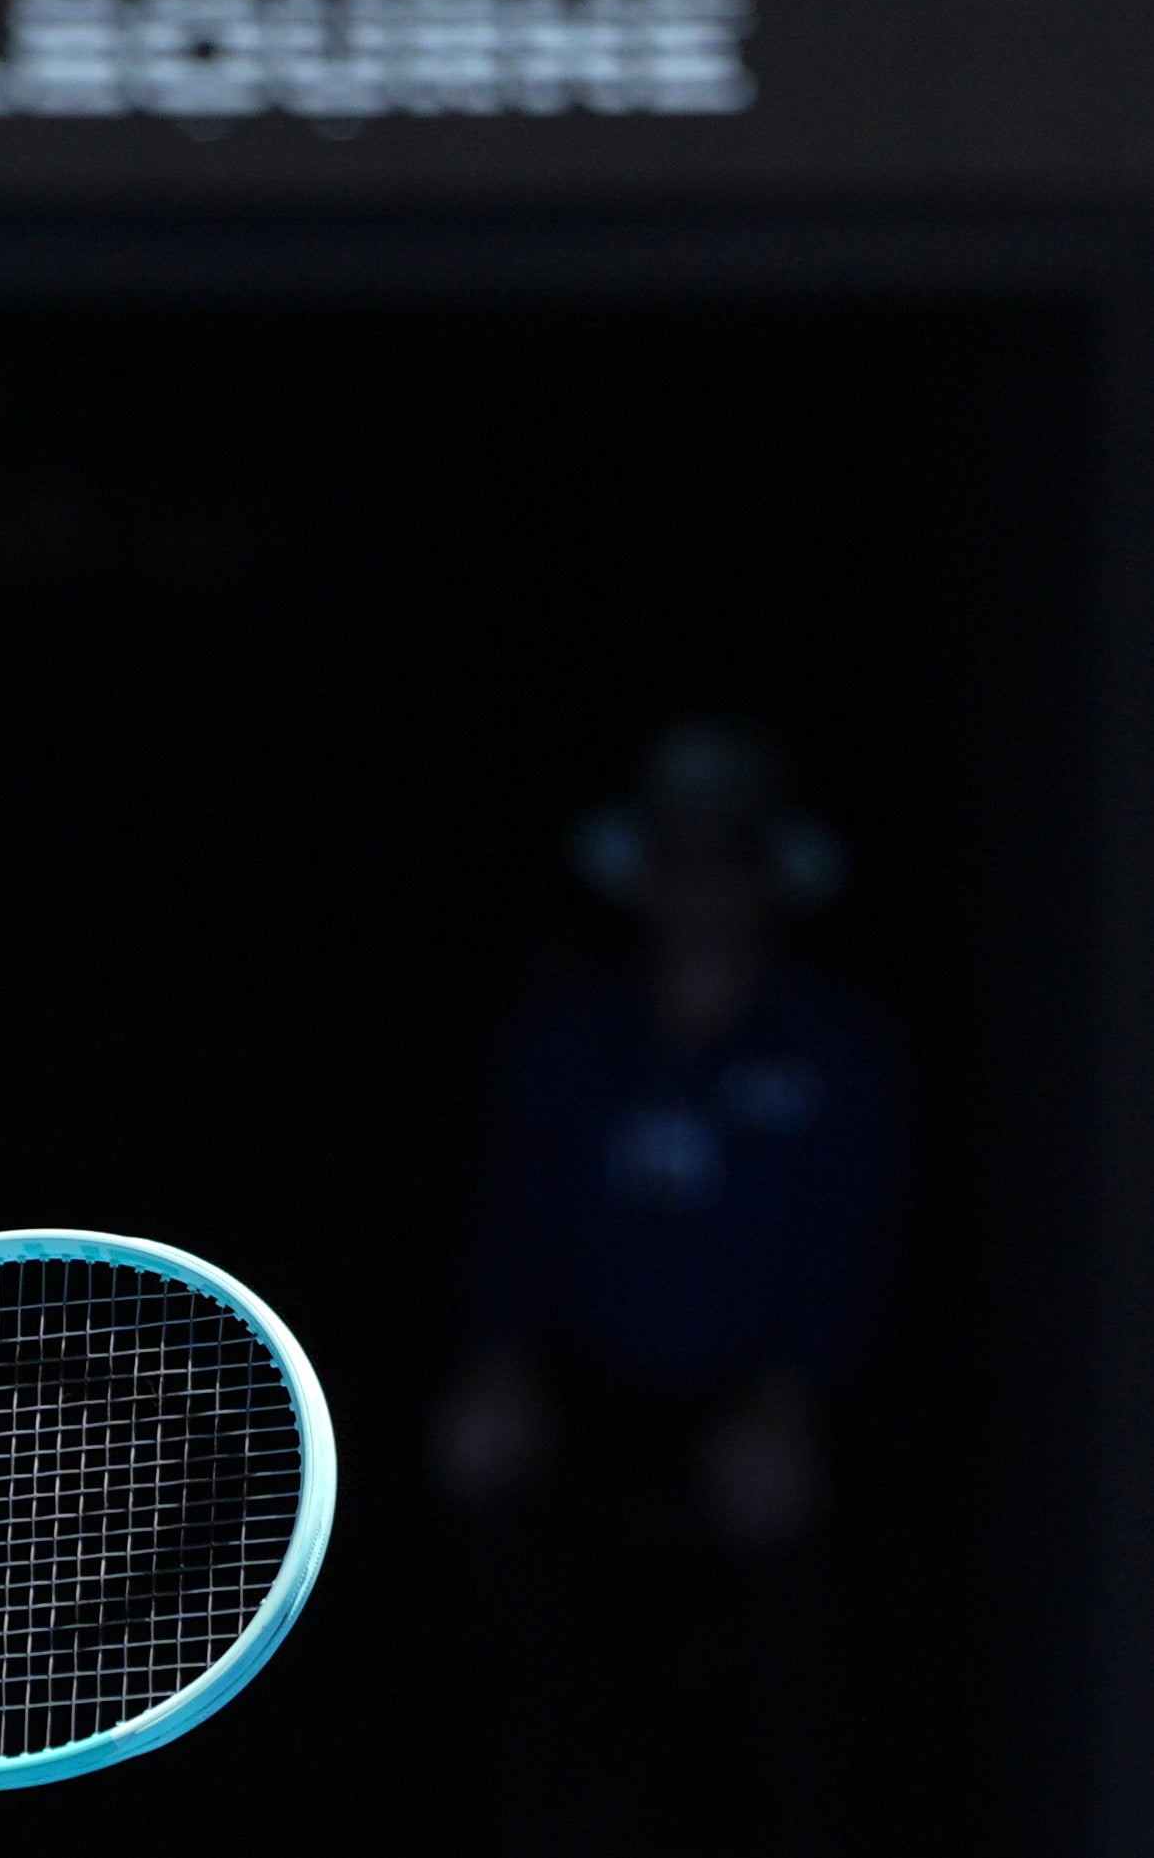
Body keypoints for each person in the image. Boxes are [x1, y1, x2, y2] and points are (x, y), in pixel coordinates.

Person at [433, 723, 909, 1856]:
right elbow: (512, 1214)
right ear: (643, 875)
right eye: (676, 854)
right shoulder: (570, 1037)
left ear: (768, 878)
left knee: (790, 1665)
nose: (699, 883)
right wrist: (495, 1363)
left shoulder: (839, 1047)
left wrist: (794, 1397)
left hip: (768, 1405)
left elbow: (858, 1240)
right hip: (595, 1402)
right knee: (513, 1568)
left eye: (726, 855)